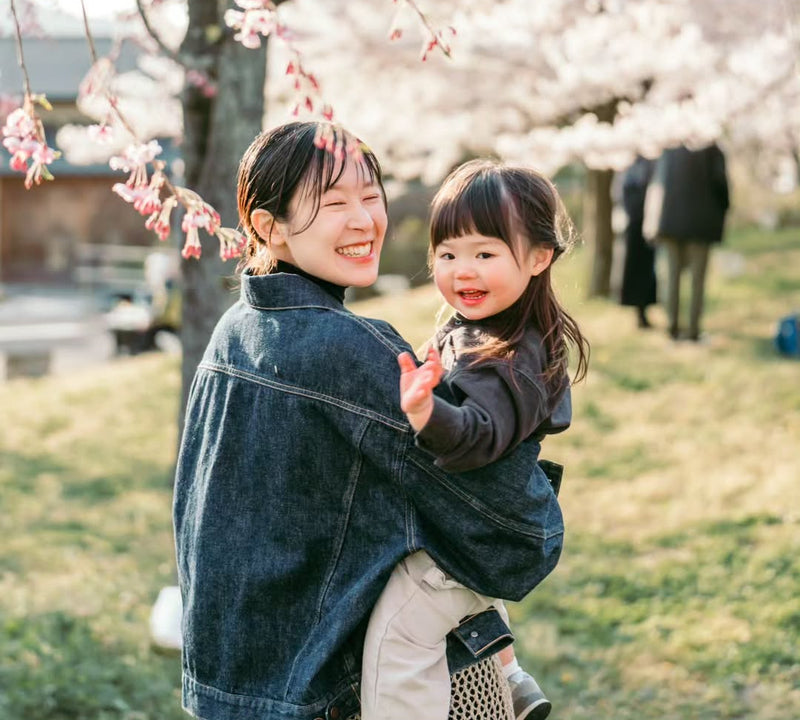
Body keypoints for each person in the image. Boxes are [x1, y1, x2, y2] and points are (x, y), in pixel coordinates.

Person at [173, 122, 566, 720]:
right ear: (266, 226)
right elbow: (516, 543)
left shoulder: (233, 332)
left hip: (228, 690)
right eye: (334, 203)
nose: (364, 220)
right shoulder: (352, 351)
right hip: (331, 691)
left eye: (370, 195)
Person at [361, 160, 589, 720]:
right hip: (504, 524)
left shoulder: (505, 357)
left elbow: (476, 437)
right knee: (466, 597)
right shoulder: (503, 333)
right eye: (448, 254)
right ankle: (509, 673)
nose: (464, 270)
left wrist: (425, 412)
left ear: (538, 257)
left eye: (485, 254)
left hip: (485, 531)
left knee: (399, 632)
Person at [651, 142, 730, 341]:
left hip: (670, 221)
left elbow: (658, 185)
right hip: (701, 223)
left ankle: (672, 327)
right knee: (697, 280)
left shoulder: (669, 146)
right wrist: (723, 208)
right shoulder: (711, 148)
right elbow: (720, 184)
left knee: (672, 277)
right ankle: (693, 330)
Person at [619, 155, 657, 329]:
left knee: (646, 270)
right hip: (636, 224)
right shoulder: (630, 165)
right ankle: (640, 312)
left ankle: (643, 311)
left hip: (645, 224)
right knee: (637, 269)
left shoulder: (649, 162)